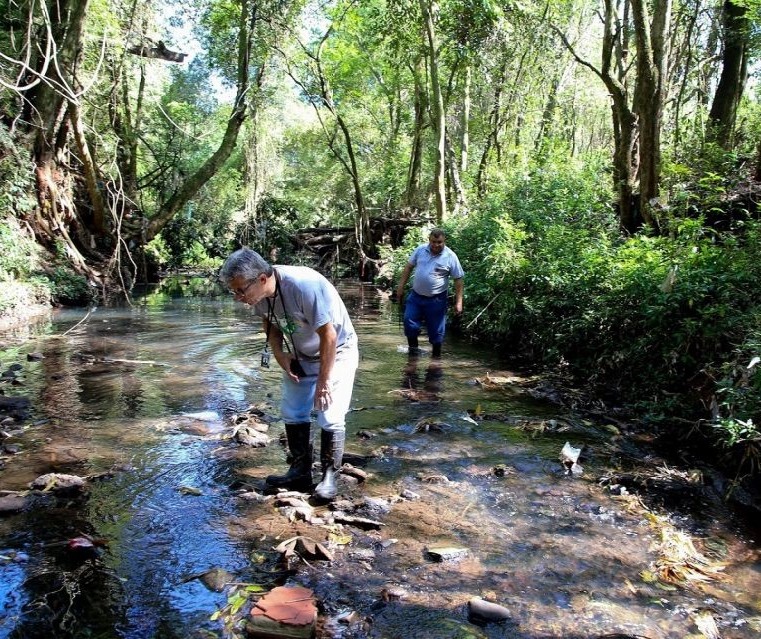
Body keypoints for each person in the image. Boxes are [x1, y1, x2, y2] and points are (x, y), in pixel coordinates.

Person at [220, 248, 358, 500]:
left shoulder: (303, 285)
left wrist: (324, 382)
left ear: (262, 279)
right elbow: (271, 325)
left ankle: (329, 477)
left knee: (330, 414)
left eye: (241, 290)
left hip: (337, 351)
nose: (238, 297)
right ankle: (300, 471)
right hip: (301, 354)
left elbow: (329, 335)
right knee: (293, 411)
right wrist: (281, 356)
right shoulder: (258, 295)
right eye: (234, 291)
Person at [395, 228, 464, 358]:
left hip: (436, 300)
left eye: (439, 242)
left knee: (436, 333)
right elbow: (408, 267)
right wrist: (400, 287)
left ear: (444, 241)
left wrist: (459, 302)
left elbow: (458, 279)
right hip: (415, 297)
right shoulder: (420, 250)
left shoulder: (450, 256)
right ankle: (413, 355)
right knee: (409, 322)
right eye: (433, 241)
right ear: (429, 240)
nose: (436, 245)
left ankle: (435, 361)